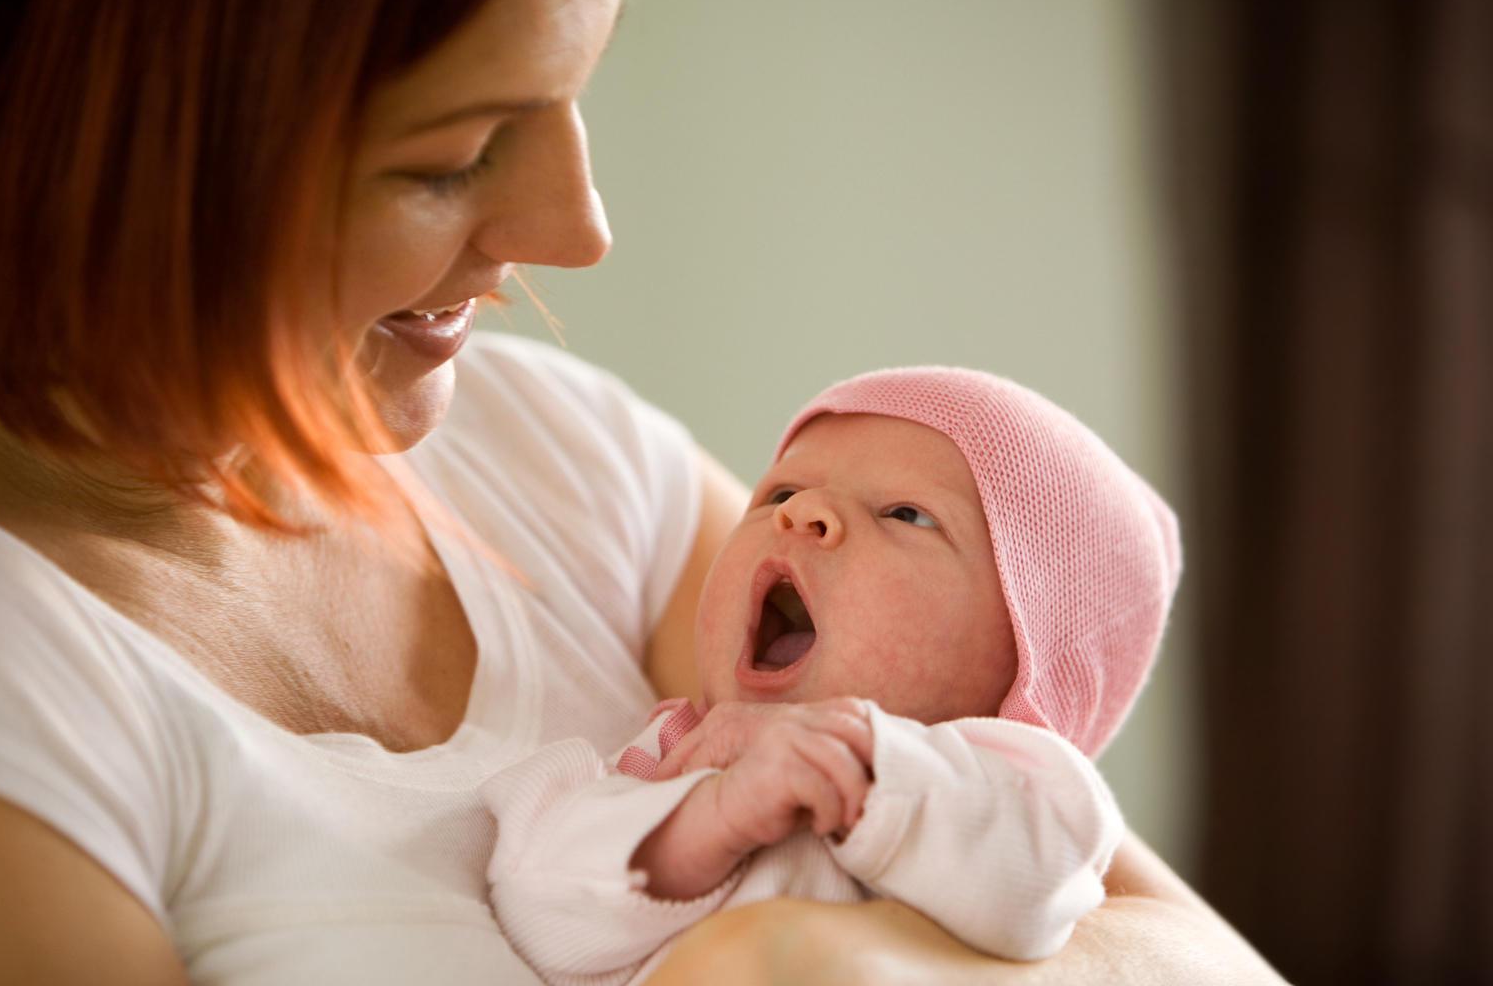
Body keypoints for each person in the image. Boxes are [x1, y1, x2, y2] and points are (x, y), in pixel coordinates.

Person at [0, 0, 1284, 983]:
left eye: (567, 98)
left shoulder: (549, 450)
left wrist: (810, 965)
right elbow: (569, 878)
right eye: (452, 156)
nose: (578, 228)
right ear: (90, 158)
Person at [480, 366, 1178, 984]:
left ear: (1025, 660)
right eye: (780, 490)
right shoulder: (671, 762)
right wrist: (702, 822)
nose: (801, 512)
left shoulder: (1026, 791)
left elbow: (1034, 893)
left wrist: (866, 765)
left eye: (906, 513)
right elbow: (538, 910)